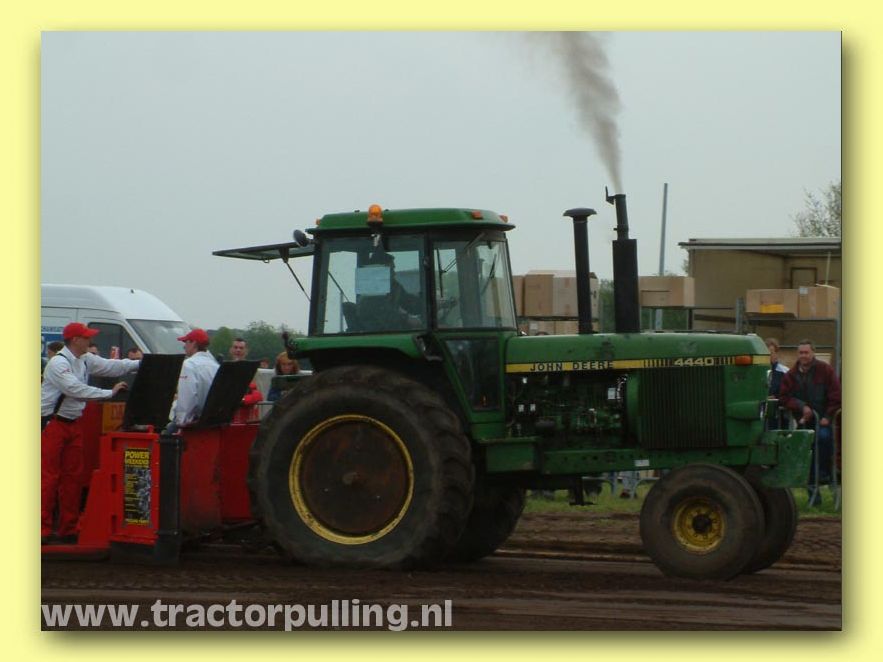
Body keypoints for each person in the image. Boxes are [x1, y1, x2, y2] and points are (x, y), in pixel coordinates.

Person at [41, 323, 139, 544]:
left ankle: (67, 529)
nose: (90, 341)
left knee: (72, 479)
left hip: (71, 423)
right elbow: (75, 389)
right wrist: (109, 393)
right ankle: (42, 530)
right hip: (51, 424)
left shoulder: (83, 359)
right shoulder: (58, 363)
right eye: (86, 337)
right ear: (75, 340)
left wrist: (140, 364)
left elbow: (112, 366)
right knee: (48, 479)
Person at [779, 339, 842, 507]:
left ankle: (825, 474)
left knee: (823, 439)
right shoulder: (791, 375)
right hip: (803, 422)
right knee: (804, 452)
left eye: (806, 352)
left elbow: (836, 395)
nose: (803, 356)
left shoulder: (825, 370)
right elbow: (784, 397)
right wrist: (801, 406)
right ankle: (813, 494)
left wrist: (827, 416)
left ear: (813, 353)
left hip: (823, 421)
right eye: (801, 353)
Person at [167, 328, 219, 433]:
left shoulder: (189, 365)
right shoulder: (215, 365)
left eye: (186, 342)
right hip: (211, 421)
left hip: (193, 425)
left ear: (194, 343)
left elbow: (188, 397)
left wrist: (181, 422)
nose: (184, 346)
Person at [765, 337, 789, 429]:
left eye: (770, 353)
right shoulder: (757, 372)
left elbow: (789, 392)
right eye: (765, 354)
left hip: (779, 418)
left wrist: (775, 398)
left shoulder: (785, 372)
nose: (768, 356)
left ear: (776, 353)